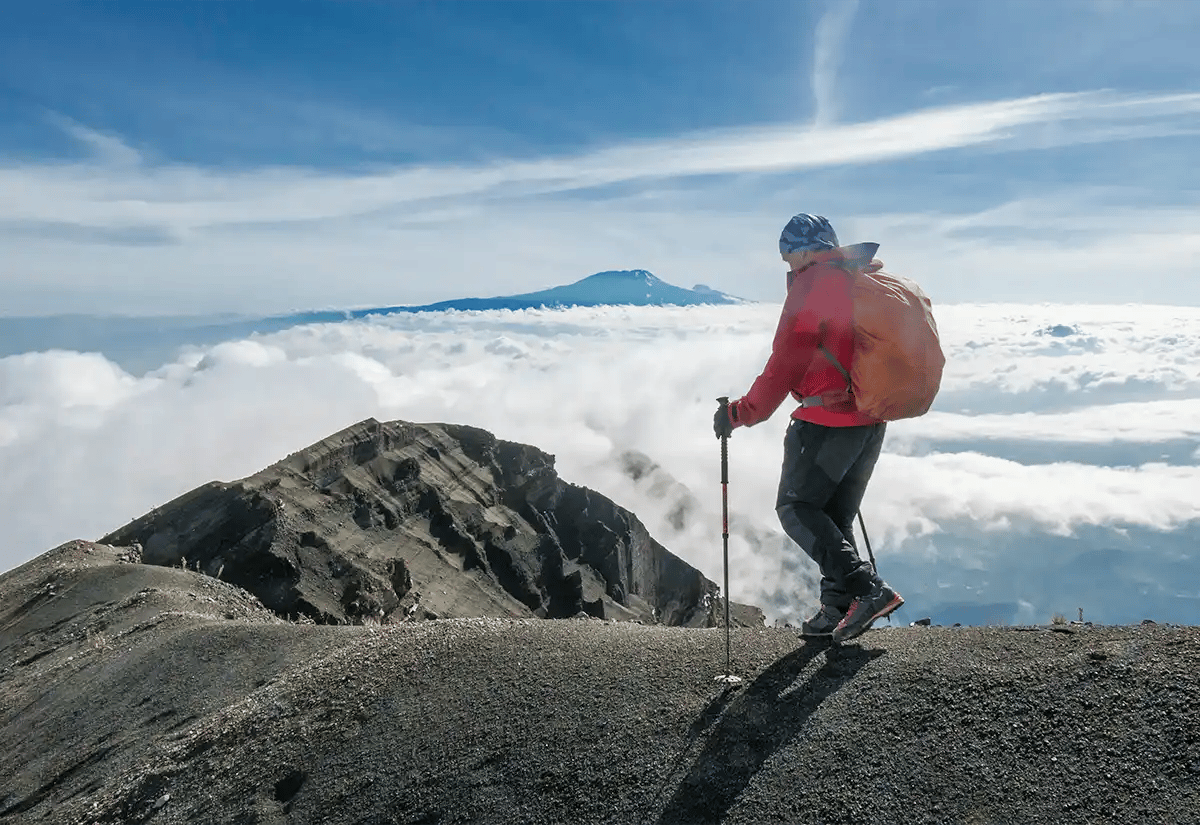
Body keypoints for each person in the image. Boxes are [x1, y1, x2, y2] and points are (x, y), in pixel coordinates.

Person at [714, 213, 903, 643]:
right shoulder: (858, 278)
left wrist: (740, 413)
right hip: (870, 420)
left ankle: (868, 590)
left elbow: (785, 362)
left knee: (796, 508)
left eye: (787, 255)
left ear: (800, 251)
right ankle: (836, 610)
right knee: (834, 518)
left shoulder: (813, 285)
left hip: (826, 421)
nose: (786, 264)